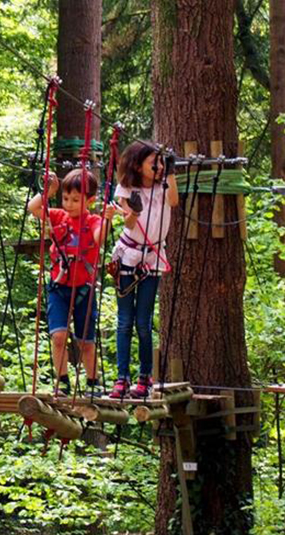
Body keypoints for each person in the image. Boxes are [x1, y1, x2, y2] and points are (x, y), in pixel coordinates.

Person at [27, 168, 117, 396]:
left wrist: (107, 219)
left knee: (85, 342)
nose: (69, 204)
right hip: (58, 288)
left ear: (90, 200)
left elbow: (99, 237)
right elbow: (33, 208)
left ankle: (93, 381)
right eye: (66, 198)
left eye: (76, 200)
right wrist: (48, 191)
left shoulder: (93, 220)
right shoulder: (58, 216)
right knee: (58, 337)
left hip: (83, 291)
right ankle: (63, 382)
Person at [108, 142, 179, 399]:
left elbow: (174, 200)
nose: (158, 167)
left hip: (154, 257)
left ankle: (144, 377)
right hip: (129, 254)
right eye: (154, 163)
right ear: (139, 165)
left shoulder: (164, 186)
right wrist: (135, 211)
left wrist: (170, 171)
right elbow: (127, 221)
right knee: (125, 321)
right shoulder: (127, 188)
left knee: (144, 322)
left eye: (160, 162)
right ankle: (121, 378)